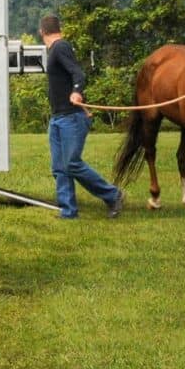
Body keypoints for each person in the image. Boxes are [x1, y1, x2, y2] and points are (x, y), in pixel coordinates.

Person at [40, 14, 124, 220]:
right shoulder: (55, 49)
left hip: (71, 117)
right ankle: (68, 211)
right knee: (60, 167)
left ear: (41, 32)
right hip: (58, 117)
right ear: (59, 29)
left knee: (71, 164)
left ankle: (113, 194)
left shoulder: (60, 47)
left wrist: (77, 91)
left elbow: (78, 74)